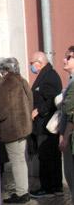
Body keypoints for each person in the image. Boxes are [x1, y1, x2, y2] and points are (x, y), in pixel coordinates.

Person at [0, 57, 33, 204]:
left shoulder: (6, 82)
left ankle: (21, 193)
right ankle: (21, 191)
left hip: (11, 127)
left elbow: (0, 108)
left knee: (15, 161)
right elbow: (30, 102)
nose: (1, 73)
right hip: (23, 126)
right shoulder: (22, 80)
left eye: (1, 70)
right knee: (20, 159)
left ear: (5, 70)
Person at [29, 51, 63, 198]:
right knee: (50, 156)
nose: (31, 66)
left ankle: (48, 188)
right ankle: (55, 187)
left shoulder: (49, 76)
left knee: (47, 156)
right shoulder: (45, 74)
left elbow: (52, 99)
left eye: (32, 63)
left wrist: (38, 110)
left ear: (39, 62)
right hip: (44, 124)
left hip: (46, 124)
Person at [59, 46, 74, 200]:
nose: (64, 60)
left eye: (68, 57)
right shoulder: (70, 81)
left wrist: (66, 136)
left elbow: (73, 113)